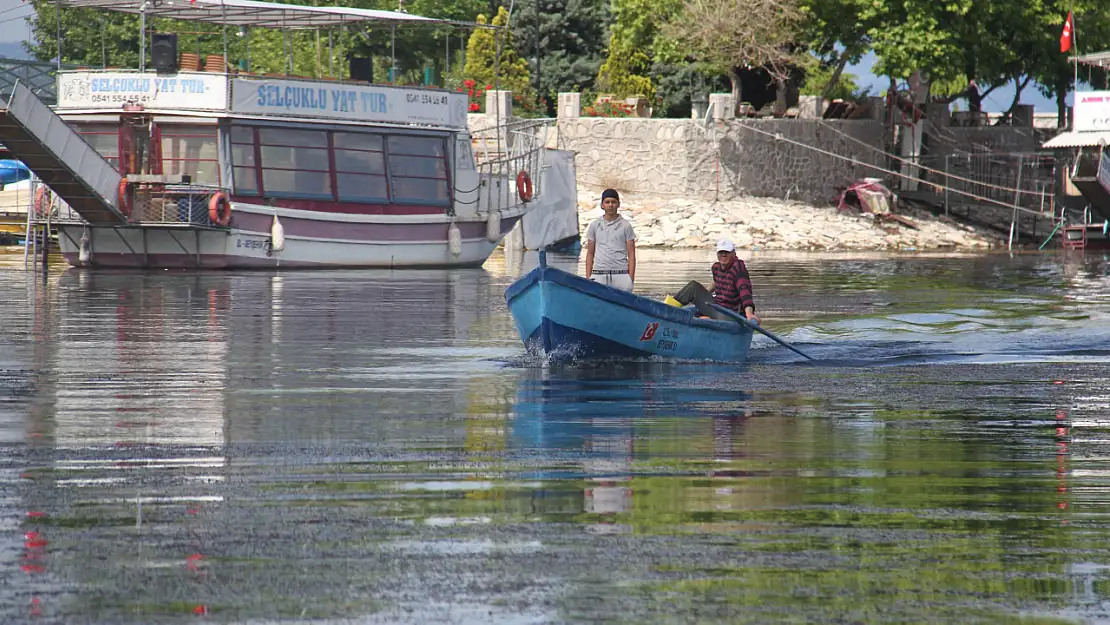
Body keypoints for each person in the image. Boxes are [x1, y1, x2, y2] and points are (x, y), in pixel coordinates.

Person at [672, 239, 758, 322]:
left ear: (734, 253)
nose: (723, 255)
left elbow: (745, 291)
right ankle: (667, 308)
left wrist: (749, 314)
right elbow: (716, 282)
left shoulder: (738, 268)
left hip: (731, 314)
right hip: (717, 307)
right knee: (693, 287)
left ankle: (669, 309)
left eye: (727, 252)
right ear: (717, 254)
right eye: (721, 252)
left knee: (694, 287)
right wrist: (702, 295)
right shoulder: (716, 267)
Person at [584, 188, 636, 291]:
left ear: (618, 204)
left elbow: (631, 254)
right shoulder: (595, 225)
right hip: (599, 275)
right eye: (607, 202)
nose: (610, 205)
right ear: (602, 205)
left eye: (613, 202)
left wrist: (630, 279)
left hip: (621, 275)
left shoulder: (626, 226)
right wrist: (588, 278)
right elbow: (590, 253)